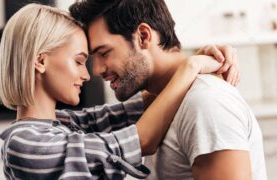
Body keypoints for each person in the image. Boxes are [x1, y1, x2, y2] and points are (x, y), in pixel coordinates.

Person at [0, 3, 240, 180]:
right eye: (80, 60)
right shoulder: (23, 142)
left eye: (101, 54)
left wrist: (195, 63)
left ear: (144, 37)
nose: (89, 73)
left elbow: (134, 109)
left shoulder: (64, 123)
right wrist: (190, 66)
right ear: (40, 61)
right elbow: (141, 139)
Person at [69, 0, 267, 179]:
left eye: (104, 53)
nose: (96, 70)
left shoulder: (206, 101)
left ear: (143, 37)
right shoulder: (160, 102)